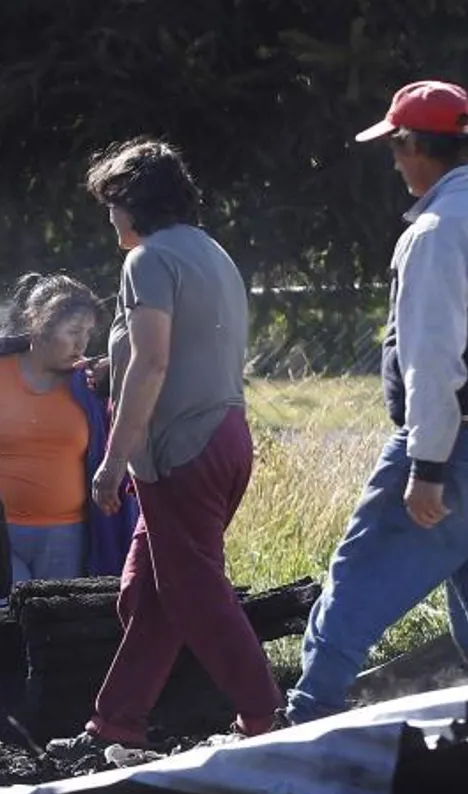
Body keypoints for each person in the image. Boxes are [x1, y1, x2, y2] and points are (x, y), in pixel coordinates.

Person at [286, 81, 468, 723]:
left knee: (358, 576)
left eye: (396, 148)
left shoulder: (435, 230)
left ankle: (301, 719)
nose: (395, 162)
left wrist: (427, 468)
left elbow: (432, 361)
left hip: (460, 443)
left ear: (415, 146)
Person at [79, 138, 284, 749]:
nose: (109, 216)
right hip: (223, 437)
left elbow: (152, 363)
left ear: (132, 200)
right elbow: (177, 350)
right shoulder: (210, 253)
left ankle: (267, 717)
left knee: (197, 596)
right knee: (148, 591)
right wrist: (110, 370)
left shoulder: (146, 261)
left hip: (180, 448)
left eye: (111, 202)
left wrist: (112, 462)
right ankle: (116, 722)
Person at [0, 273, 138, 608]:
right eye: (73, 332)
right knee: (2, 633)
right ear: (39, 325)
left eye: (88, 334)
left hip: (69, 537)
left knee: (53, 640)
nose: (82, 344)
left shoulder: (90, 385)